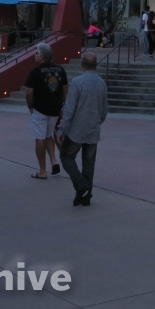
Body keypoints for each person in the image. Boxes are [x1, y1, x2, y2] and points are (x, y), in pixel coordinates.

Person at [56, 52, 108, 207]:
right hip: (93, 129)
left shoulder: (77, 82)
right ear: (96, 65)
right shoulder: (101, 83)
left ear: (82, 65)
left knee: (66, 156)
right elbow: (104, 110)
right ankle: (86, 196)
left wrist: (61, 129)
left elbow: (69, 109)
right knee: (89, 164)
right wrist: (98, 121)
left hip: (76, 130)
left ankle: (80, 185)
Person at [24, 42, 68, 180]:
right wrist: (63, 106)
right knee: (48, 135)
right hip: (55, 109)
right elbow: (65, 90)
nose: (34, 55)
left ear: (42, 56)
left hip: (40, 109)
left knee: (40, 138)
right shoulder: (60, 70)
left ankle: (42, 171)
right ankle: (54, 161)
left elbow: (29, 92)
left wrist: (30, 106)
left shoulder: (35, 72)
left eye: (36, 53)